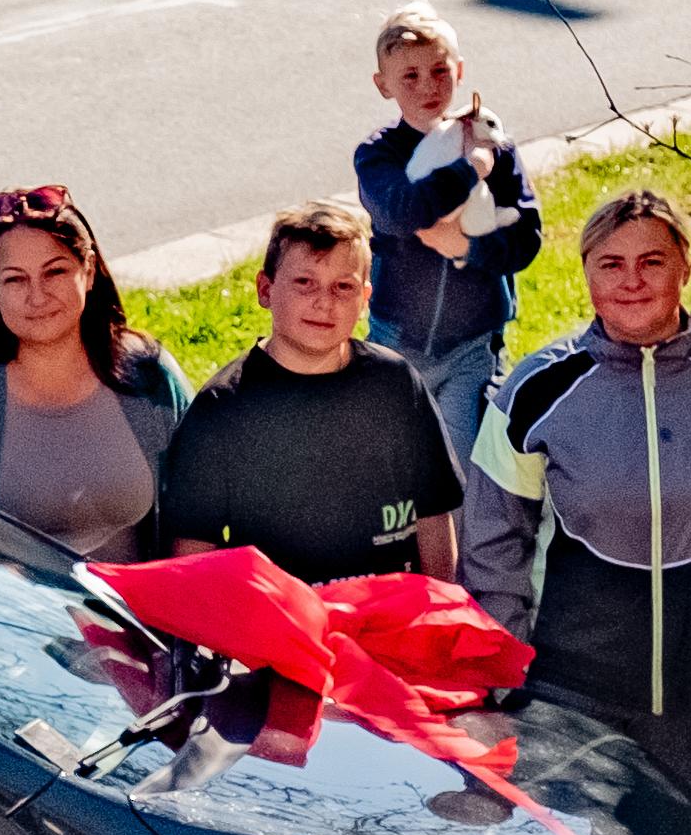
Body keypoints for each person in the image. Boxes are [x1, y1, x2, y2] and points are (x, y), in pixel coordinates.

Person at [458, 189, 691, 773]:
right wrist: (499, 681)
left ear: (684, 265)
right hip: (572, 688)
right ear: (586, 274)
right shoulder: (537, 390)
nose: (631, 281)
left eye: (652, 262)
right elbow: (492, 544)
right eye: (611, 264)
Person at [150, 201, 464, 584]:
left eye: (343, 287)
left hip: (392, 627)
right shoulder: (224, 408)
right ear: (265, 289)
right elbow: (193, 551)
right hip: (282, 632)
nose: (324, 302)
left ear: (366, 298)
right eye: (305, 283)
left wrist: (441, 613)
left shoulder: (395, 384)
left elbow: (433, 515)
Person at [0, 185, 193, 561]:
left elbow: (201, 514)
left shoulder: (150, 375)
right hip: (4, 618)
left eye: (55, 272)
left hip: (135, 616)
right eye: (15, 279)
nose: (37, 296)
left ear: (90, 270)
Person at [352, 5, 542, 466]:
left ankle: (466, 538)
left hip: (472, 340)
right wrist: (469, 169)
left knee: (466, 465)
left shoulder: (493, 142)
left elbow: (527, 236)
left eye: (439, 71)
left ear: (459, 71)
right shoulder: (379, 155)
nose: (428, 86)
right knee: (395, 460)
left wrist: (470, 248)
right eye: (409, 76)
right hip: (398, 335)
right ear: (384, 86)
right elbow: (403, 212)